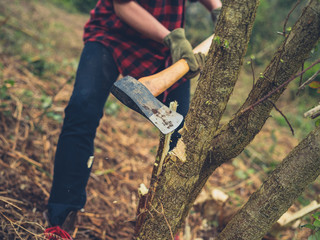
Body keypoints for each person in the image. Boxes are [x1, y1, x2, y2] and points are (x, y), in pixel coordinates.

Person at [44, 0, 222, 239]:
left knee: (180, 137)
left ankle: (165, 227)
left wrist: (217, 9)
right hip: (114, 32)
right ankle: (61, 215)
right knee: (82, 109)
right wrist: (173, 39)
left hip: (167, 45)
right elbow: (123, 5)